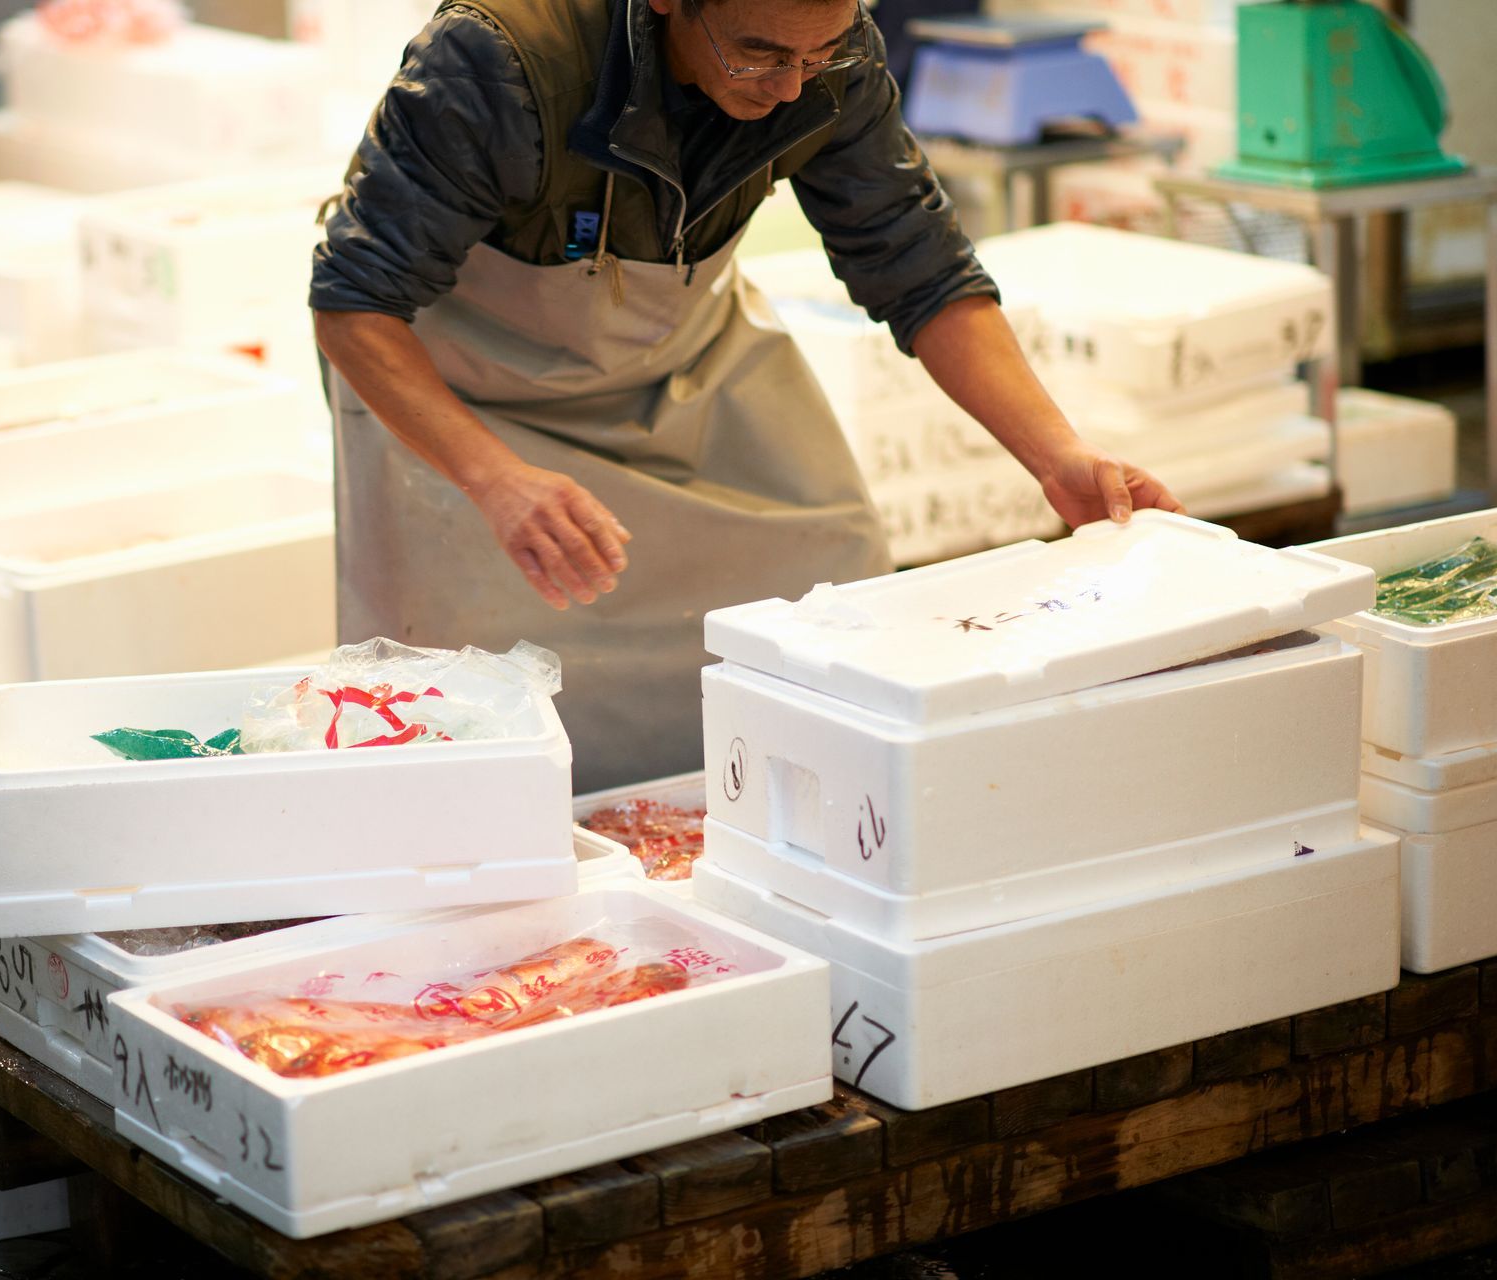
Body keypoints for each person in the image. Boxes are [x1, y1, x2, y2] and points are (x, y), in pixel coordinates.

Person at [311, 0, 1182, 791]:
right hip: (466, 400)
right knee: (476, 713)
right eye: (757, 54)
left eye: (820, 53)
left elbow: (921, 269)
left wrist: (1057, 455)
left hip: (680, 359)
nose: (790, 85)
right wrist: (496, 480)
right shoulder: (498, 58)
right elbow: (352, 305)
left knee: (832, 602)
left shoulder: (826, 57)